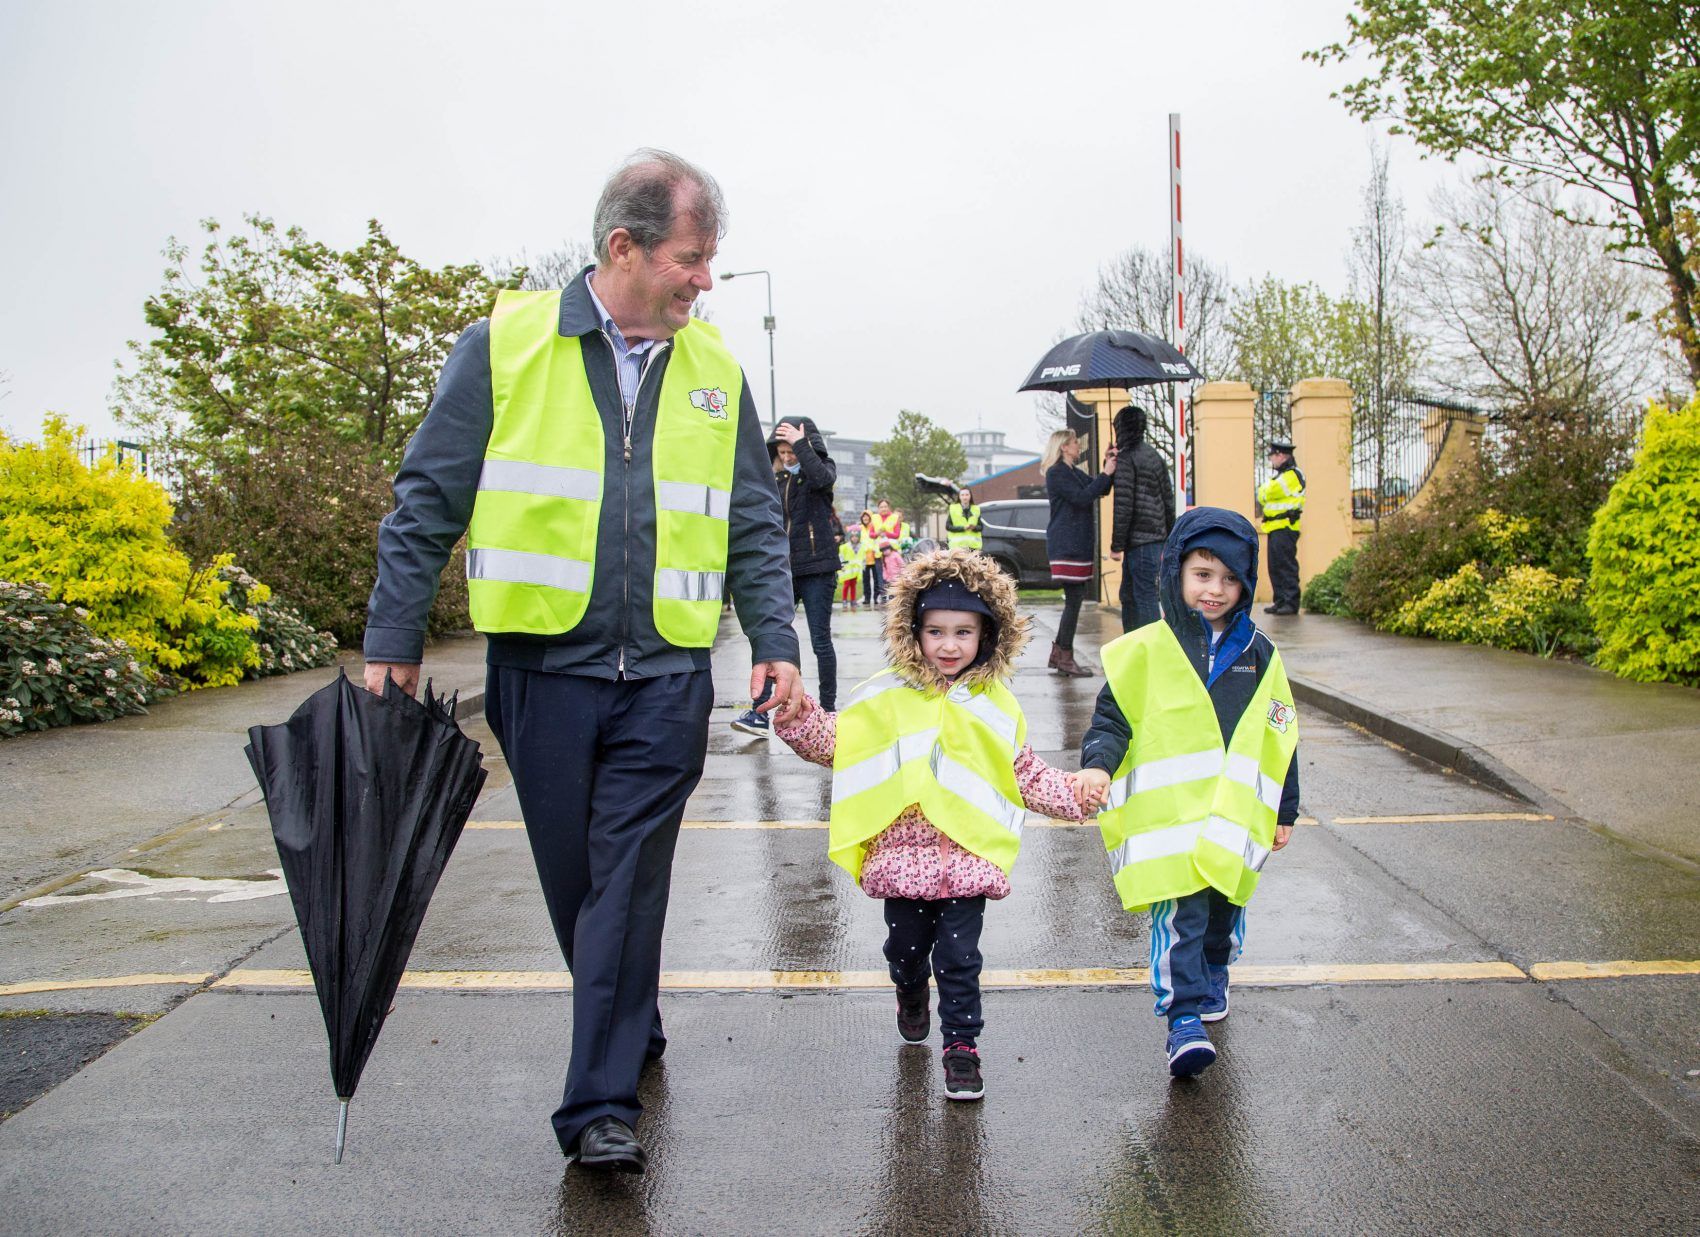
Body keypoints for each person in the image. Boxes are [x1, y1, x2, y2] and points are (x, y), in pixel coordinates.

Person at [361, 149, 804, 1174]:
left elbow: (749, 519)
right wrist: (391, 637)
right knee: (577, 883)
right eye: (690, 259)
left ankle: (597, 1106)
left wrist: (773, 642)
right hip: (541, 672)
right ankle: (624, 1010)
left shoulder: (714, 372)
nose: (703, 280)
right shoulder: (502, 347)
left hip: (664, 676)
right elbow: (425, 498)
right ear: (623, 248)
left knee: (627, 879)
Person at [771, 549, 1087, 1100]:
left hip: (967, 858)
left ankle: (961, 1048)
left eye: (963, 632)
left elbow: (1024, 773)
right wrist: (799, 719)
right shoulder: (889, 695)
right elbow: (841, 742)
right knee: (907, 952)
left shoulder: (997, 705)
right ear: (913, 633)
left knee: (962, 960)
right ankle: (910, 990)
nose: (948, 645)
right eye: (935, 631)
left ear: (987, 636)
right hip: (902, 861)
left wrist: (1077, 793)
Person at [1074, 508, 1300, 1078]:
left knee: (1224, 911)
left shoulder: (1260, 654)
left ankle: (1215, 973)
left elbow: (1281, 734)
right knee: (1183, 917)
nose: (1215, 590)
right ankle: (1182, 1018)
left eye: (1230, 579)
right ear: (1176, 572)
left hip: (1232, 818)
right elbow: (1110, 720)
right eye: (1203, 574)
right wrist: (1097, 767)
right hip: (1172, 824)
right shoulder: (1144, 650)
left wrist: (1284, 808)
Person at [732, 416, 839, 735]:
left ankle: (829, 710)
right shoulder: (776, 482)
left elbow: (820, 476)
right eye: (782, 450)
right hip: (785, 569)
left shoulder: (820, 473)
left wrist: (801, 443)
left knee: (821, 640)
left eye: (791, 449)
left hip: (818, 567)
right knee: (771, 636)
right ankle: (759, 713)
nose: (787, 456)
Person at [1042, 428, 1117, 676]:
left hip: (1077, 543)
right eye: (1075, 442)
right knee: (1073, 601)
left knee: (1074, 601)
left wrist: (1107, 466)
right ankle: (1064, 656)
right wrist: (1105, 473)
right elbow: (1083, 497)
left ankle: (1060, 654)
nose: (1078, 446)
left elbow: (1099, 488)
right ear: (1064, 446)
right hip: (1067, 544)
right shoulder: (1056, 473)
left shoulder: (1073, 472)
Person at [1108, 405, 1174, 632]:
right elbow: (1168, 499)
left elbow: (1123, 506)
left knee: (1139, 600)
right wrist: (1170, 536)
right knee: (1138, 596)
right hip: (1156, 539)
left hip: (1139, 543)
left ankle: (1147, 651)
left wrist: (1116, 546)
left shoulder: (1127, 458)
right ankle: (1141, 647)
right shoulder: (1154, 456)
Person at [1258, 438, 1305, 615]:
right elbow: (1262, 495)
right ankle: (1280, 600)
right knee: (1275, 566)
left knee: (1286, 566)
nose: (1271, 460)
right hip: (1274, 527)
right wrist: (1266, 491)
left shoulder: (1293, 475)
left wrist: (1266, 490)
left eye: (1272, 456)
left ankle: (1291, 602)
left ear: (1281, 455)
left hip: (1286, 527)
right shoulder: (1279, 476)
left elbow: (1268, 492)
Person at [859, 509, 887, 605]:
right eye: (864, 517)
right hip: (864, 558)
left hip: (875, 556)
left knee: (876, 579)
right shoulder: (860, 529)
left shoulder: (874, 527)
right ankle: (867, 598)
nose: (865, 518)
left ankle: (876, 597)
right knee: (865, 580)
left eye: (867, 516)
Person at [837, 528, 862, 609]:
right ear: (850, 538)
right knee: (846, 585)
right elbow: (841, 556)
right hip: (847, 569)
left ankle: (853, 600)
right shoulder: (845, 547)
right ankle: (844, 600)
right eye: (853, 537)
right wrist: (842, 565)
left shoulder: (860, 546)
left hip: (855, 570)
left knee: (853, 585)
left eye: (856, 537)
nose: (855, 538)